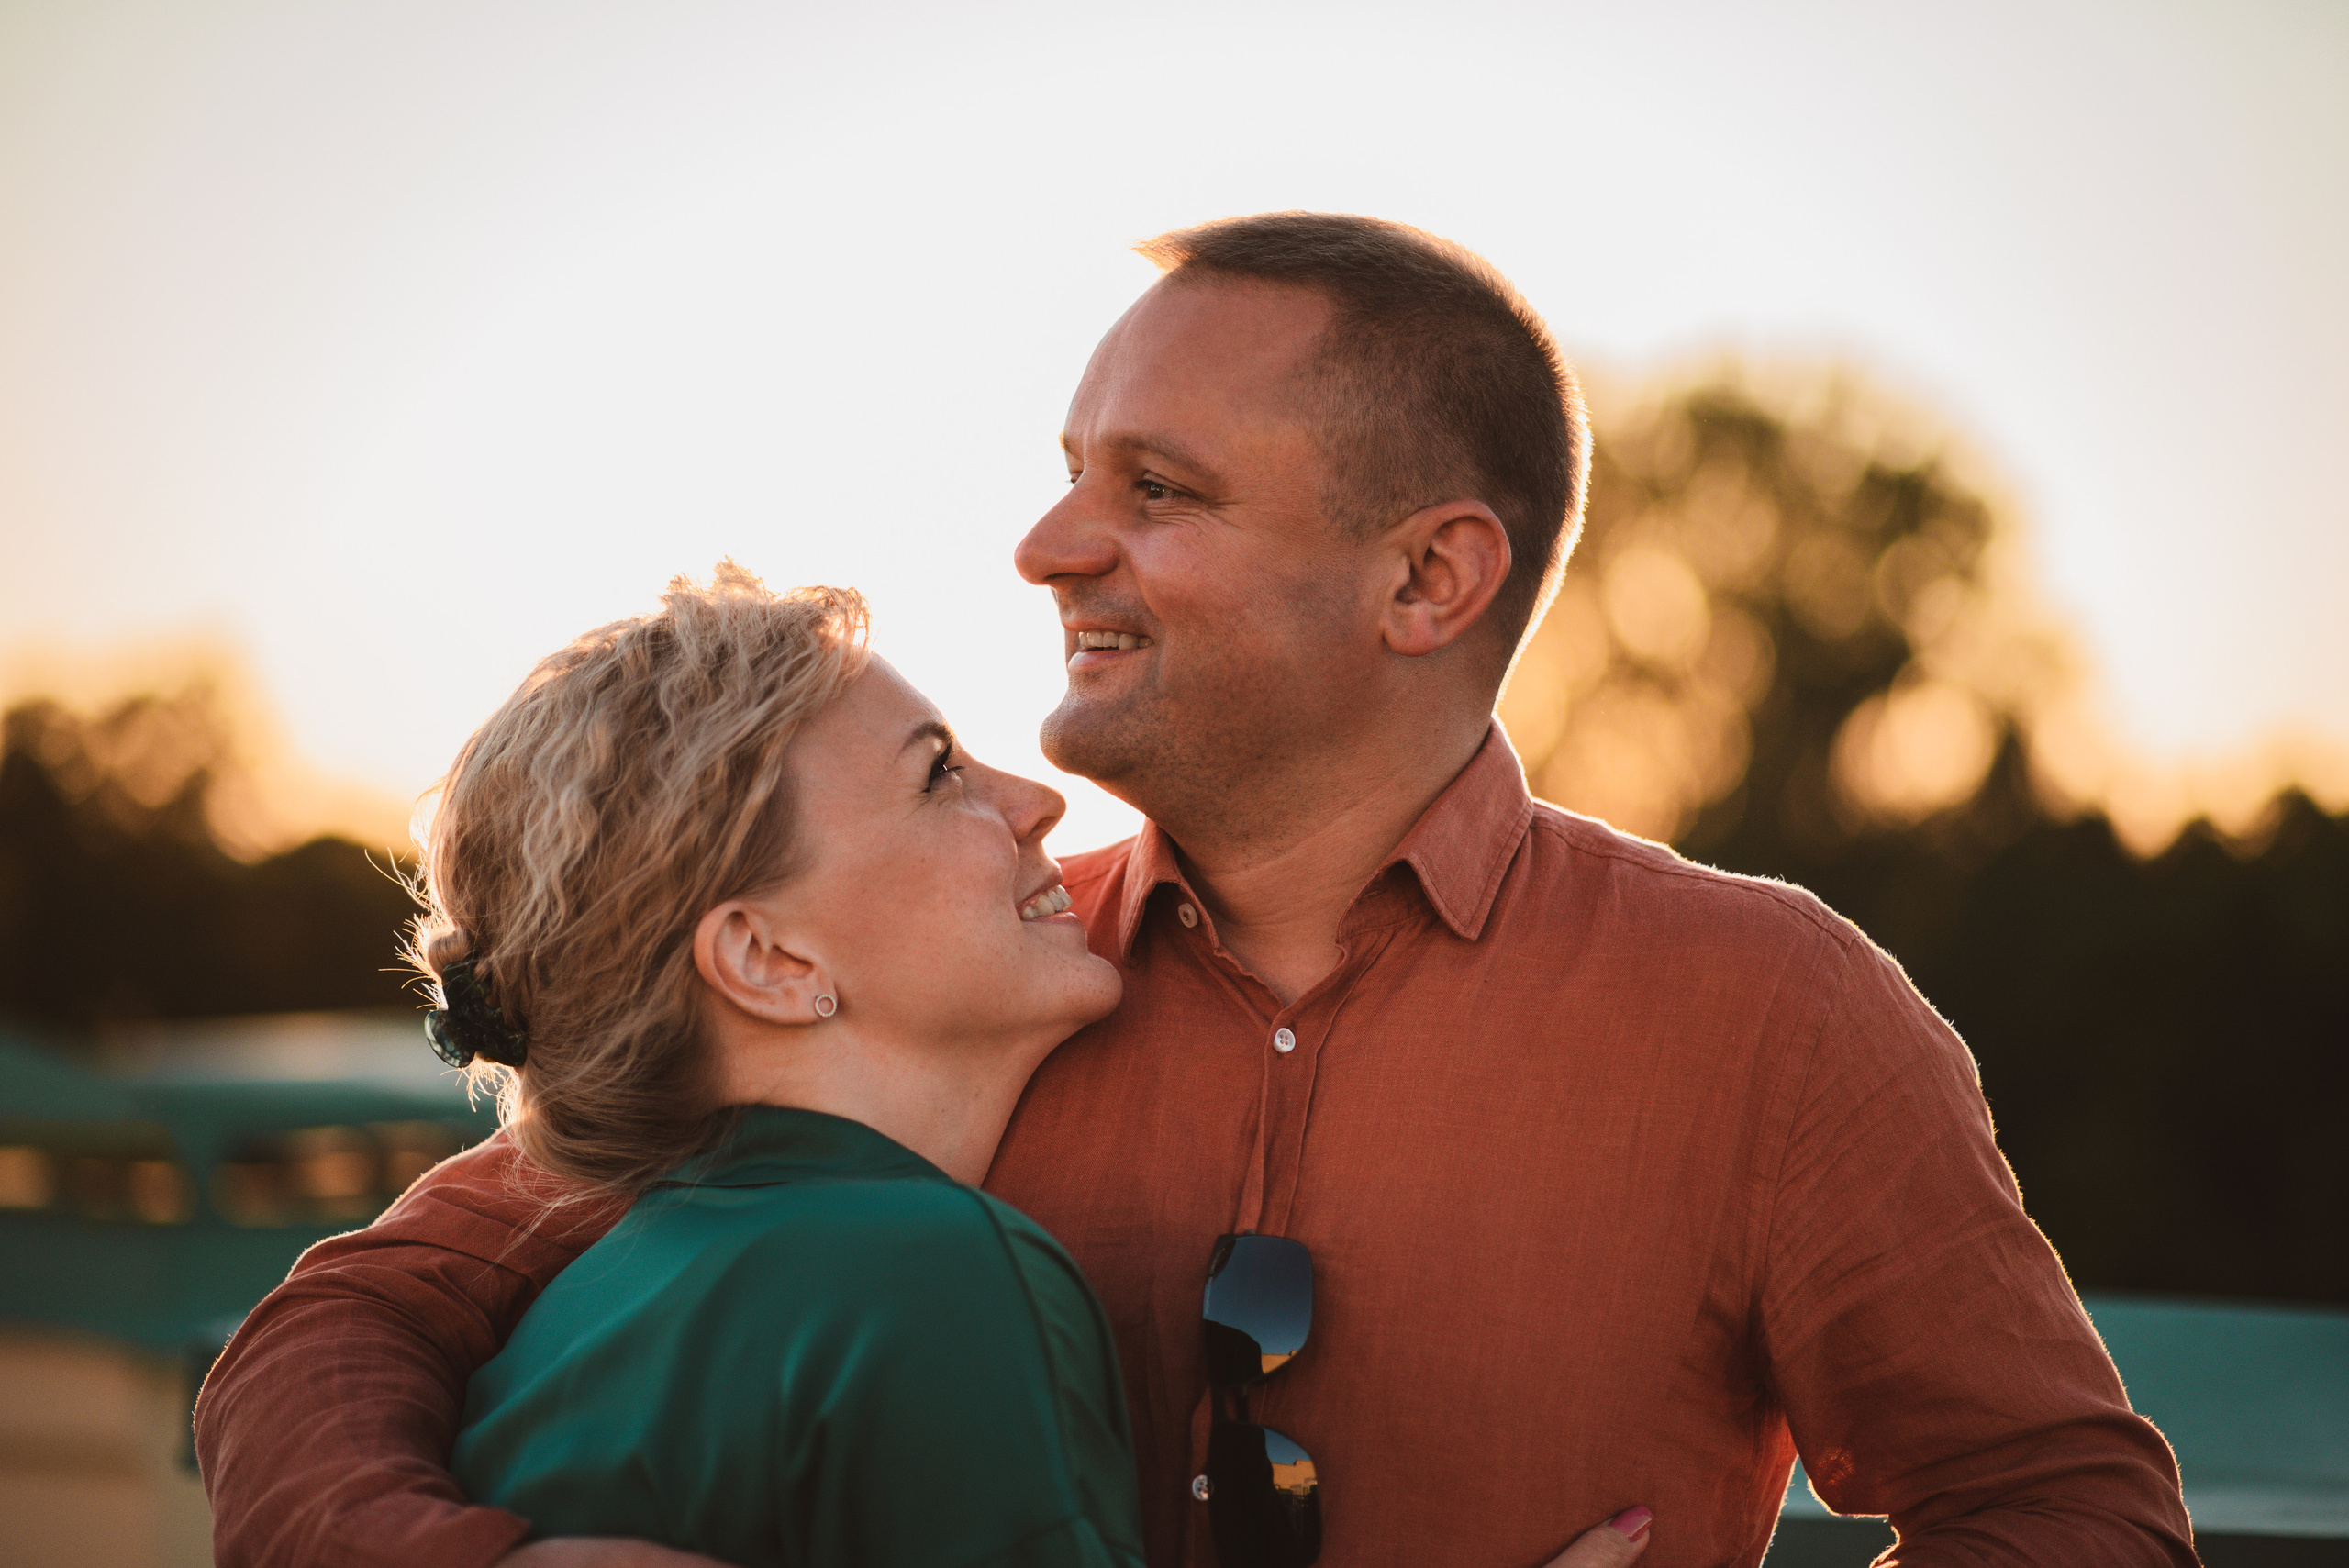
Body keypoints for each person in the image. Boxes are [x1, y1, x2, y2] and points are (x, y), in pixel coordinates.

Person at [196, 214, 2195, 1567]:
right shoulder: (920, 1000)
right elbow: (346, 1326)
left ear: (1429, 579)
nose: (1047, 541)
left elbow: (2061, 1509)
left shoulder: (1769, 1011)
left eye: (1155, 489)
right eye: (1075, 466)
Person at [373, 568, 1146, 1565]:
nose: (1037, 801)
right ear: (768, 961)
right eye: (937, 774)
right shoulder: (929, 1275)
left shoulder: (583, 1302)